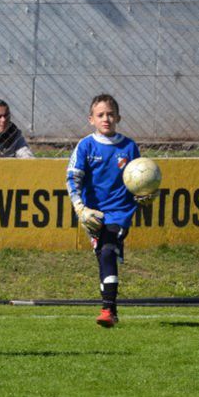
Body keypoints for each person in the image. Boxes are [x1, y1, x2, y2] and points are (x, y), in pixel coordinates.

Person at [66, 94, 157, 327]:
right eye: (100, 115)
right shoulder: (86, 145)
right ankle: (112, 310)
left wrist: (145, 195)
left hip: (120, 213)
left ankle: (106, 309)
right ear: (91, 119)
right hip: (93, 215)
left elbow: (139, 178)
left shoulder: (129, 146)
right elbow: (73, 178)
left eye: (110, 114)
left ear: (118, 117)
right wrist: (79, 207)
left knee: (107, 251)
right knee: (102, 257)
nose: (106, 118)